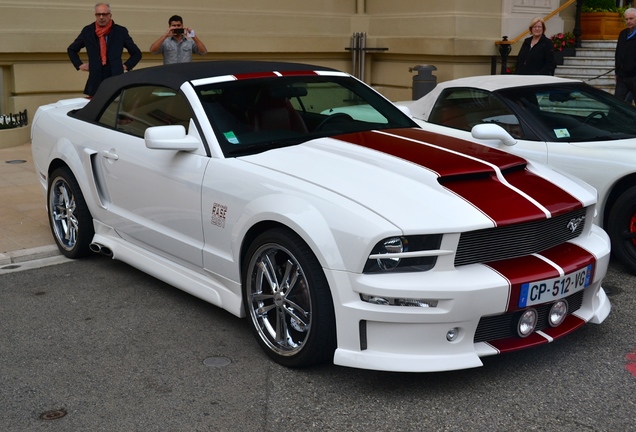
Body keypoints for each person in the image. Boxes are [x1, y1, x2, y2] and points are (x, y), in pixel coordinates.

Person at [67, 3, 142, 97]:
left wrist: (125, 66)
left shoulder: (120, 31)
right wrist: (79, 65)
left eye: (104, 14)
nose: (101, 17)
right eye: (98, 14)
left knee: (113, 108)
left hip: (115, 78)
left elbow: (136, 53)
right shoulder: (88, 31)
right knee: (95, 110)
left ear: (110, 15)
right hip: (95, 80)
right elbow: (72, 49)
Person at [615, 8, 636, 103]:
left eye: (631, 18)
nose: (629, 21)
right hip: (622, 76)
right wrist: (617, 71)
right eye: (627, 19)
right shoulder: (623, 34)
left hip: (634, 75)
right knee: (617, 103)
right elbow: (618, 53)